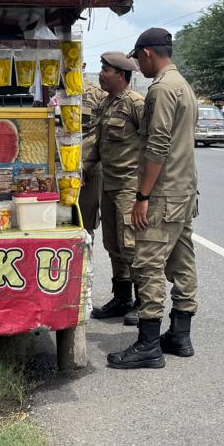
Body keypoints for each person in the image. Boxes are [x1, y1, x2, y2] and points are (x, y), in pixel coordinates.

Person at [108, 27, 199, 370]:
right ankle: (180, 335)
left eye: (138, 59)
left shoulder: (162, 89)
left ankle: (148, 344)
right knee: (182, 261)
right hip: (185, 189)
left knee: (146, 263)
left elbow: (158, 146)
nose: (138, 67)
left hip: (163, 192)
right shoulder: (184, 86)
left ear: (147, 53)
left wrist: (142, 195)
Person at [86, 52, 145, 326]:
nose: (101, 74)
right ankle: (122, 298)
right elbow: (97, 144)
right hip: (108, 184)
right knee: (113, 245)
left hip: (128, 188)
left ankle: (143, 302)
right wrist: (80, 168)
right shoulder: (106, 102)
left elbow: (153, 144)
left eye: (105, 70)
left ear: (121, 75)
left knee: (131, 245)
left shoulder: (135, 104)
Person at [78, 64, 105, 233]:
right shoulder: (48, 93)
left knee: (85, 224)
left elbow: (103, 133)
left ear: (82, 65)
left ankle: (85, 258)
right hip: (54, 169)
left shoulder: (98, 95)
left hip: (88, 169)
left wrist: (85, 166)